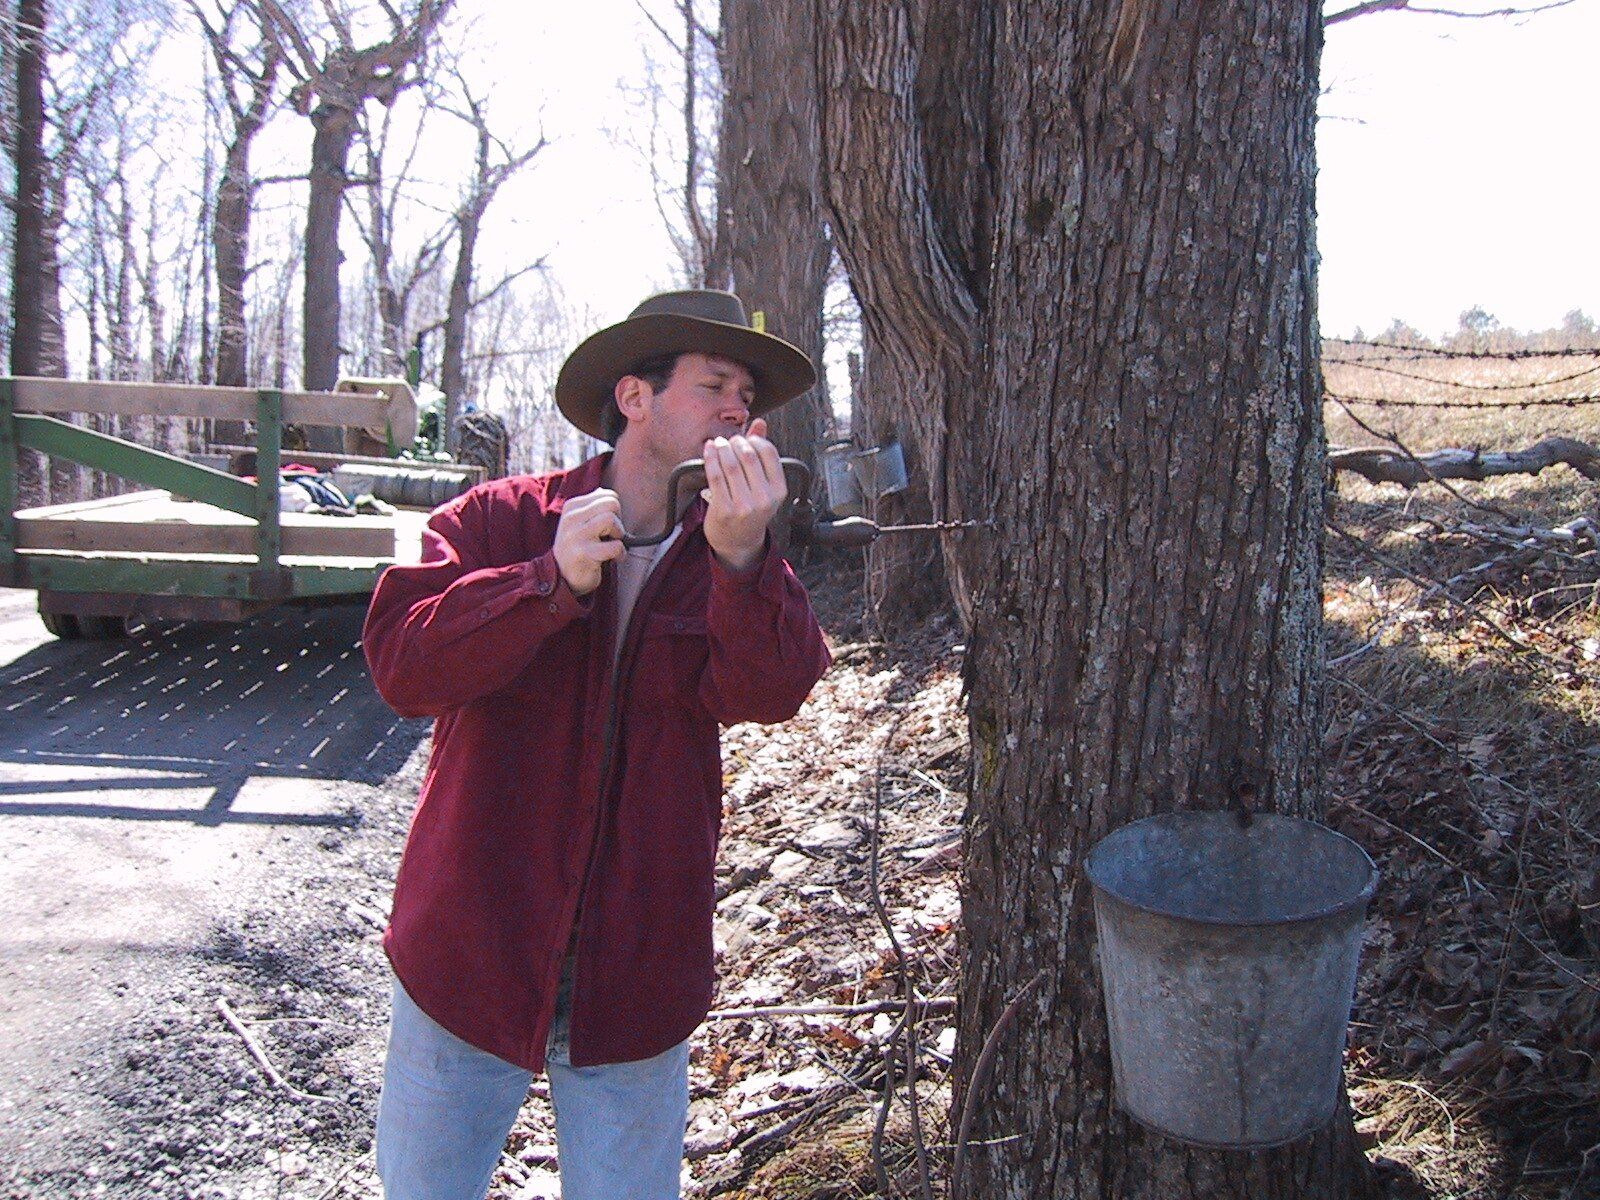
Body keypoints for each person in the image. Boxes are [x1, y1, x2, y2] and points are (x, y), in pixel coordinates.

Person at [362, 289, 832, 1200]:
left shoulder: (731, 552)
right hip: (471, 948)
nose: (741, 409)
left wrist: (744, 562)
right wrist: (547, 582)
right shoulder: (500, 519)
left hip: (637, 963)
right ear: (635, 398)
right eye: (716, 385)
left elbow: (773, 694)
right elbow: (401, 668)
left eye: (750, 396)